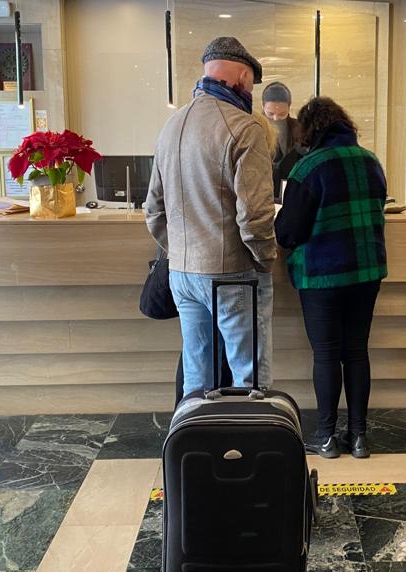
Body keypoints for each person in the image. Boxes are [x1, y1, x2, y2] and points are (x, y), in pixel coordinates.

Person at [146, 37, 277, 397]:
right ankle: (249, 436)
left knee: (197, 375)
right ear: (244, 76)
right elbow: (255, 215)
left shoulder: (171, 125)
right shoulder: (244, 127)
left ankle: (193, 433)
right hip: (232, 271)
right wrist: (264, 260)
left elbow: (153, 209)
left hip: (182, 274)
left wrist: (180, 252)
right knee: (249, 379)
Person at [275, 97, 388, 459]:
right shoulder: (370, 161)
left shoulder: (308, 168)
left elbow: (288, 232)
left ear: (309, 130)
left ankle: (326, 437)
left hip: (322, 275)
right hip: (366, 271)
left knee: (326, 354)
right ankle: (359, 437)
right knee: (356, 351)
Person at [262, 81, 306, 200]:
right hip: (262, 188)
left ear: (289, 108)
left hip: (290, 187)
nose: (276, 118)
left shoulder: (298, 127)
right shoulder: (253, 127)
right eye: (270, 113)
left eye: (282, 114)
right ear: (263, 106)